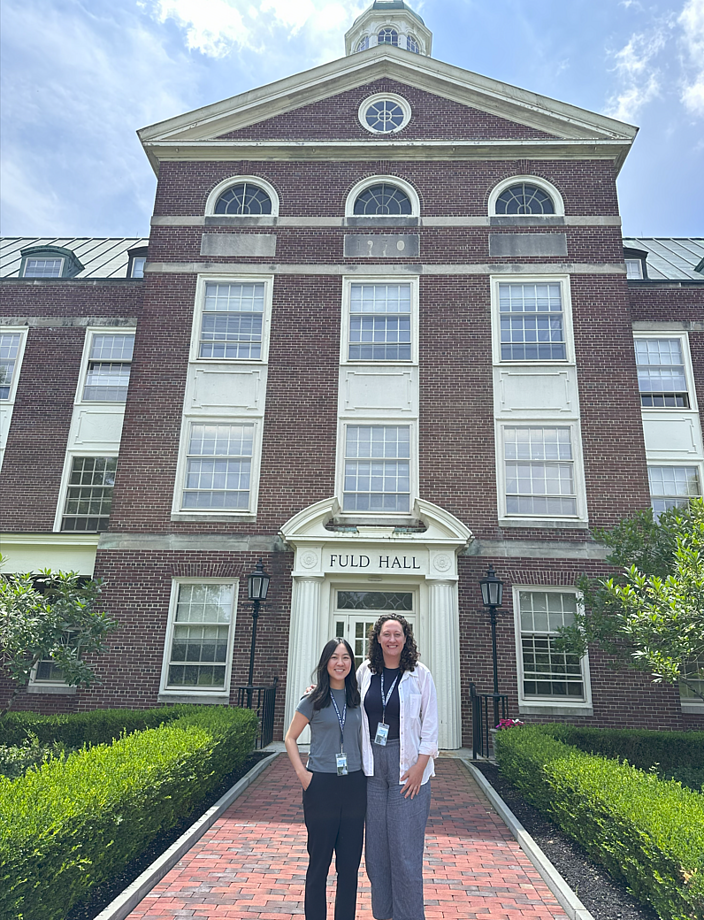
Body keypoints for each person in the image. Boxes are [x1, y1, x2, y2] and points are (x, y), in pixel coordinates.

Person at [357, 614, 439, 920]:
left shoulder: (419, 674)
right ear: (377, 638)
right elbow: (346, 699)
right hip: (372, 769)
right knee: (376, 852)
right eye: (386, 634)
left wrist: (421, 766)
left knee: (404, 852)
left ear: (406, 639)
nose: (392, 640)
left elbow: (430, 725)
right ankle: (384, 913)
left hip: (408, 768)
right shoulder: (365, 672)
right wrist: (317, 693)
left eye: (398, 634)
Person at [285, 638, 366, 920]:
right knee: (318, 865)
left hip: (355, 786)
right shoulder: (313, 698)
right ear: (325, 662)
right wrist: (303, 776)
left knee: (349, 867)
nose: (340, 663)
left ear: (351, 663)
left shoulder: (358, 698)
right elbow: (290, 738)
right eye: (334, 657)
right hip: (321, 787)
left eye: (345, 658)